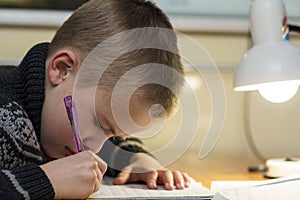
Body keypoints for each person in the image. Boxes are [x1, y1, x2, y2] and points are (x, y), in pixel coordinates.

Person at [0, 0, 190, 199]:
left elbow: (107, 148)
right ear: (62, 69)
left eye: (112, 134)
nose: (95, 148)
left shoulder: (64, 121)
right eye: (99, 123)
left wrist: (136, 159)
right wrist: (46, 180)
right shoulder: (6, 121)